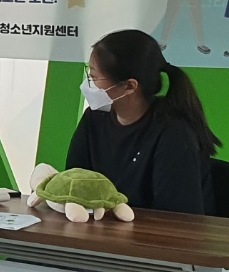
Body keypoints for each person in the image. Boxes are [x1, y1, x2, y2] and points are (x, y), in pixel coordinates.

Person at [68, 29, 220, 215]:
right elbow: (73, 183)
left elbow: (174, 218)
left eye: (95, 78)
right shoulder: (94, 118)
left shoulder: (173, 133)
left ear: (129, 86)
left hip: (157, 231)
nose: (88, 85)